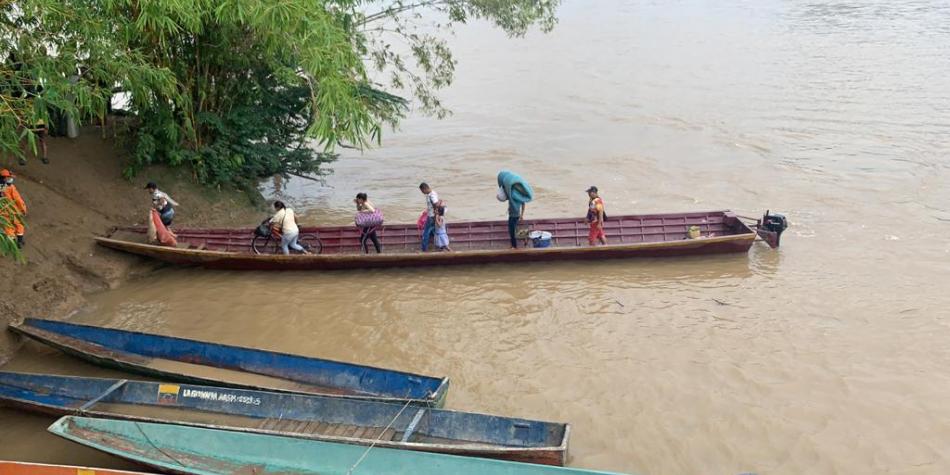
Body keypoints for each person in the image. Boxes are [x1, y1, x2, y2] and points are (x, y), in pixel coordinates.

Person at [0, 169, 26, 247]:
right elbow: (17, 199)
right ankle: (20, 241)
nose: (11, 179)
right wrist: (23, 209)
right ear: (4, 178)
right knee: (19, 224)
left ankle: (13, 243)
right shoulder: (10, 187)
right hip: (13, 210)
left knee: (8, 227)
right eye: (9, 177)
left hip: (2, 212)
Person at [419, 182, 440, 251]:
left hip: (431, 217)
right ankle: (439, 246)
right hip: (432, 215)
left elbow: (436, 204)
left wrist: (435, 215)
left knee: (426, 233)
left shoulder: (432, 195)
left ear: (424, 189)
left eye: (422, 191)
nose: (422, 193)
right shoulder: (431, 193)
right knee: (434, 231)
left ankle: (424, 249)